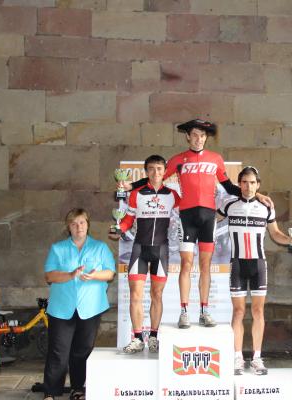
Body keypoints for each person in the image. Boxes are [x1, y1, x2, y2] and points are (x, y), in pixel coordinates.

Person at [125, 119, 272, 329]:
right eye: (194, 135)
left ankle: (204, 311)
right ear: (187, 136)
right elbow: (155, 180)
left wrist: (257, 195)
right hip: (187, 217)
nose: (198, 139)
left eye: (202, 135)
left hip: (208, 218)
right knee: (186, 264)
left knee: (205, 265)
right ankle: (184, 312)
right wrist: (130, 186)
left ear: (206, 138)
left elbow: (230, 187)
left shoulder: (216, 159)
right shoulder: (178, 160)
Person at [217, 166, 292, 376]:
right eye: (244, 182)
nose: (248, 186)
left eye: (252, 182)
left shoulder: (266, 207)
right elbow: (210, 219)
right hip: (237, 264)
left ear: (258, 184)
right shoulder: (229, 204)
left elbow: (276, 233)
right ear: (239, 184)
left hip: (258, 265)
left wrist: (291, 240)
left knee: (258, 311)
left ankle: (256, 358)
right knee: (238, 311)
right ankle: (237, 357)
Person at [43, 208, 116, 400]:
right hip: (61, 308)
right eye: (74, 224)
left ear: (88, 224)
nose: (78, 227)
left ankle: (78, 389)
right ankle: (51, 392)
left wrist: (94, 275)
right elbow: (49, 276)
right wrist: (70, 275)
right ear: (69, 227)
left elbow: (110, 273)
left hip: (91, 307)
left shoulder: (100, 247)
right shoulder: (57, 248)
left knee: (82, 351)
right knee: (58, 351)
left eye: (82, 222)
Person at [110, 155, 180, 354]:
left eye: (159, 169)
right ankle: (138, 338)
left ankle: (154, 337)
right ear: (146, 171)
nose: (155, 172)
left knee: (157, 294)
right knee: (135, 295)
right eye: (151, 169)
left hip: (161, 250)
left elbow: (188, 213)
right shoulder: (136, 194)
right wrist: (118, 229)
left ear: (165, 171)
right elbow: (128, 219)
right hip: (140, 249)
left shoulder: (173, 195)